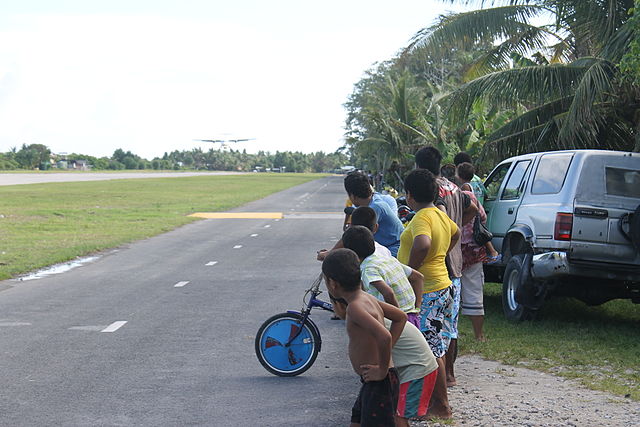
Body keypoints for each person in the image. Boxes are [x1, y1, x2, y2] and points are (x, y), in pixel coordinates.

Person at [397, 168, 460, 419]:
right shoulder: (440, 214)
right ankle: (433, 404)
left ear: (410, 195)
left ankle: (441, 407)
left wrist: (412, 271)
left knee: (430, 350)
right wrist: (440, 255)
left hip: (429, 291)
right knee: (438, 347)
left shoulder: (422, 216)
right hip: (442, 286)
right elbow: (455, 234)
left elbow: (422, 243)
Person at [322, 248, 407, 427]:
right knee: (357, 421)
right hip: (374, 381)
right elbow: (401, 317)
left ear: (332, 284)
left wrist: (382, 369)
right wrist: (385, 356)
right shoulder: (366, 297)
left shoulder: (355, 307)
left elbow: (384, 337)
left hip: (380, 381)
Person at [415, 146, 476, 387]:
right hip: (456, 263)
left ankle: (437, 381)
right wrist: (456, 226)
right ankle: (449, 374)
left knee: (432, 327)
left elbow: (436, 219)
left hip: (438, 264)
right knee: (451, 325)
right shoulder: (454, 187)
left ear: (419, 166)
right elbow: (473, 208)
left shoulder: (430, 189)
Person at [333, 298, 438, 427]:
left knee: (397, 418)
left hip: (417, 369)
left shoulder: (362, 320)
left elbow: (386, 338)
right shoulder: (368, 311)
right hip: (407, 369)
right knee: (360, 415)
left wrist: (381, 370)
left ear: (340, 305)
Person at [342, 225, 423, 329]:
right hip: (412, 316)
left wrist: (397, 319)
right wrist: (418, 307)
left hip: (399, 321)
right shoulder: (387, 259)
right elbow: (418, 277)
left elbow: (388, 293)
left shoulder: (368, 269)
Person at [317, 171, 405, 260]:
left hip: (394, 249)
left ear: (352, 196)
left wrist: (330, 253)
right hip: (382, 247)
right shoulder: (372, 201)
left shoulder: (375, 207)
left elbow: (354, 234)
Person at [456, 162, 500, 262]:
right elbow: (486, 194)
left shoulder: (465, 188)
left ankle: (493, 252)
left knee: (476, 235)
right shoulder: (475, 183)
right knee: (480, 234)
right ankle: (492, 252)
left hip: (471, 217)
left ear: (459, 176)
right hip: (478, 213)